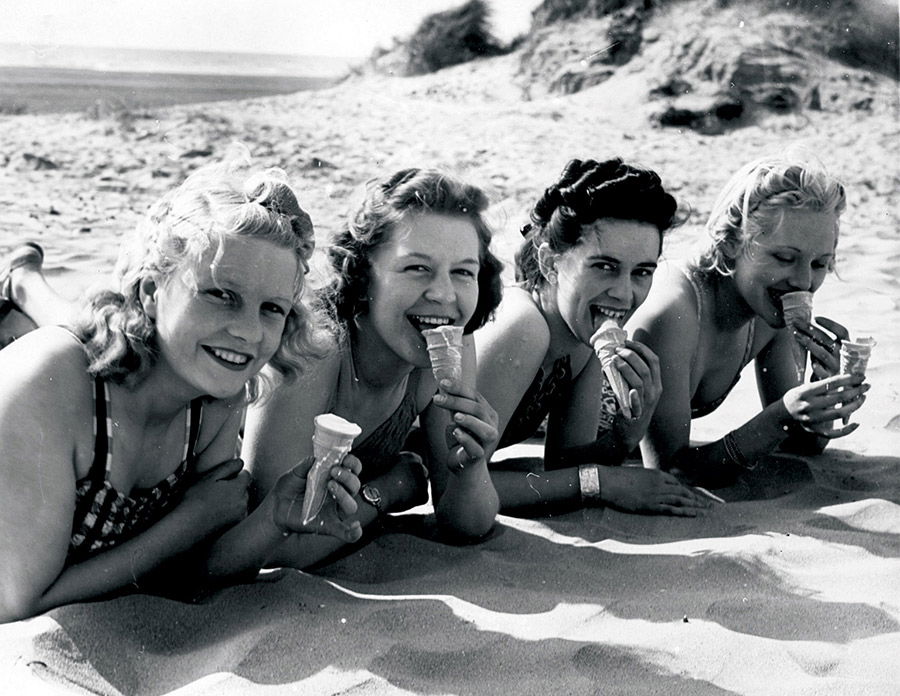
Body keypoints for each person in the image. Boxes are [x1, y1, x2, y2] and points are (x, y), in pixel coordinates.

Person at [0, 153, 363, 623]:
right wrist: (186, 524)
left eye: (272, 308)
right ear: (151, 290)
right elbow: (19, 606)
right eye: (221, 295)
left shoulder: (217, 394)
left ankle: (24, 283)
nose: (249, 334)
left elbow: (197, 568)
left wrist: (273, 518)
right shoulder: (51, 388)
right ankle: (25, 287)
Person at [242, 167, 504, 568]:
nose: (443, 294)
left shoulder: (449, 343)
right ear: (363, 276)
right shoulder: (316, 352)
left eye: (463, 272)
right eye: (417, 268)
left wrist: (471, 469)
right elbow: (275, 548)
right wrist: (391, 489)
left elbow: (465, 524)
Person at [474, 158, 710, 516]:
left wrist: (626, 434)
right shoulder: (524, 324)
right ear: (551, 262)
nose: (624, 294)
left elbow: (563, 465)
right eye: (604, 267)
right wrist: (604, 484)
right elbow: (455, 488)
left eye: (642, 272)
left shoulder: (579, 342)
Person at [628, 153, 869, 488]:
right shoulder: (674, 311)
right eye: (785, 258)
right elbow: (669, 472)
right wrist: (779, 416)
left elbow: (799, 444)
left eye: (819, 264)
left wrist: (822, 398)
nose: (803, 281)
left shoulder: (768, 306)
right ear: (730, 244)